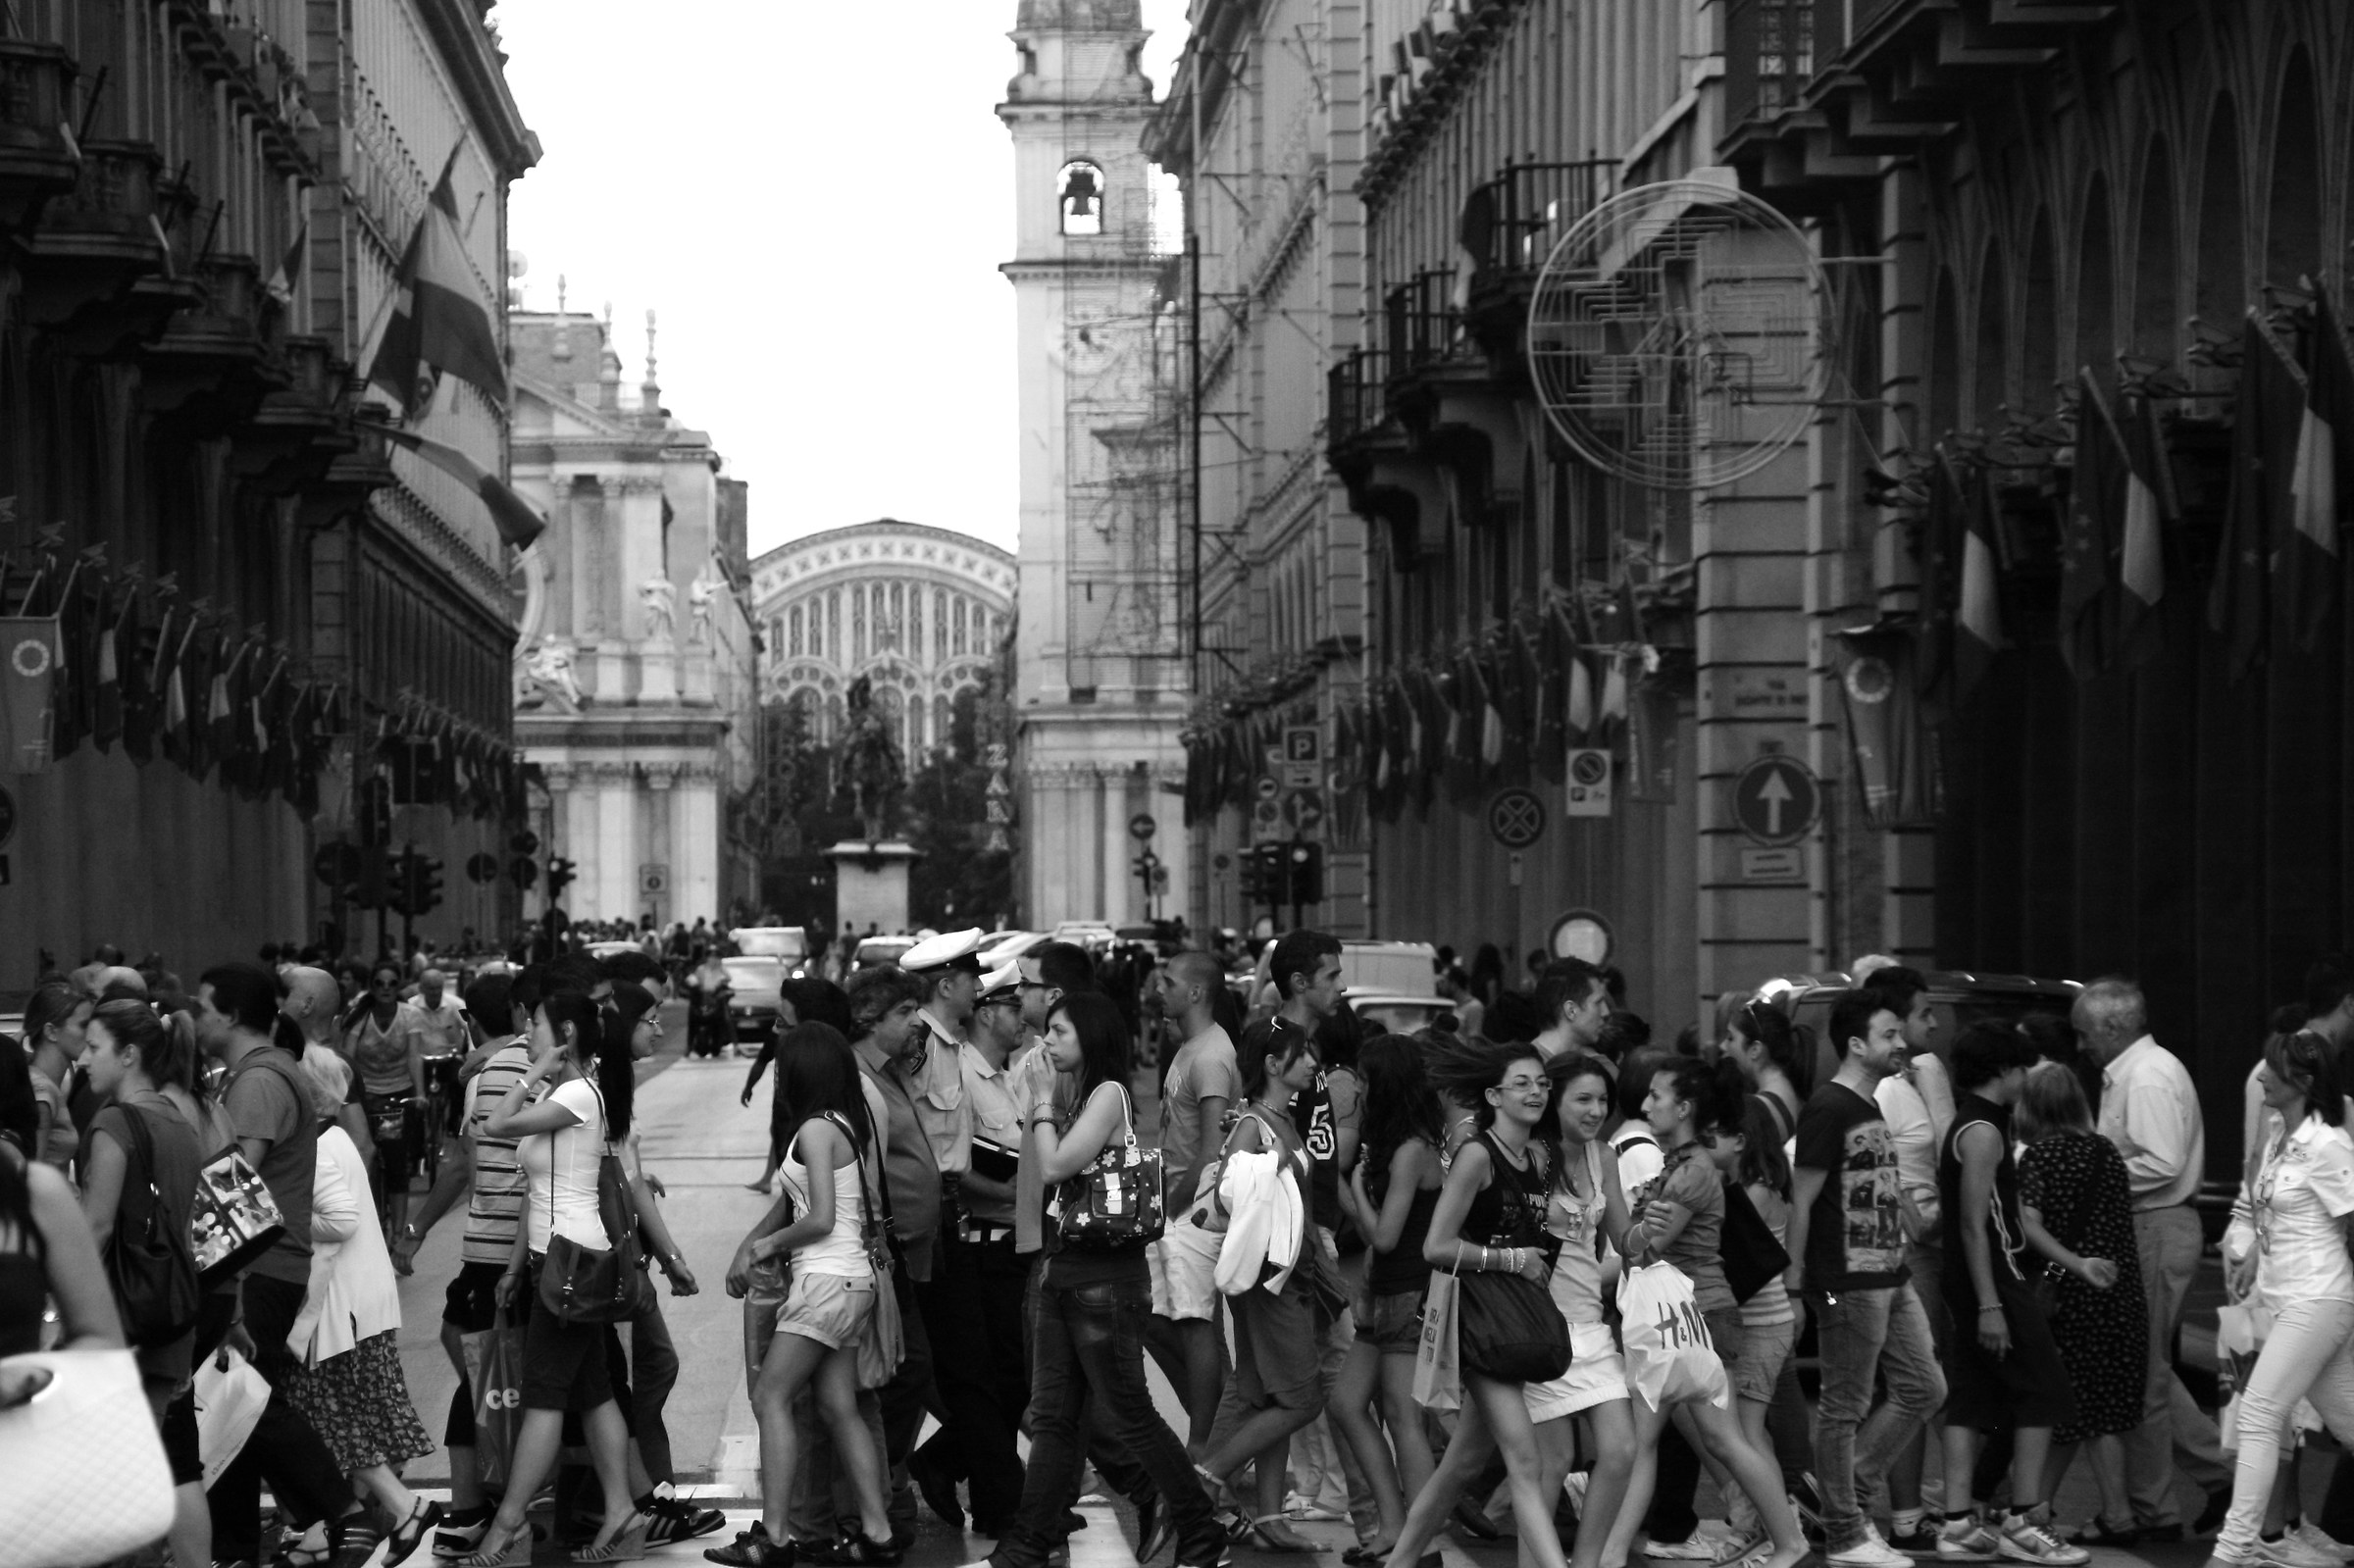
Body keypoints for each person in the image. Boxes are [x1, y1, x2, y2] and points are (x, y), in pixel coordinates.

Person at [973, 990, 1226, 1568]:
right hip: (1066, 1272)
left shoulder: (1109, 1094)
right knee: (1055, 1418)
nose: (1048, 1042)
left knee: (1130, 1413)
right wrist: (1041, 1094)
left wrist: (1040, 1102)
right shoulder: (1073, 1092)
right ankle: (1029, 1543)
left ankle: (1199, 1527)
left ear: (1090, 1036)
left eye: (1060, 1032)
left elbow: (1058, 1164)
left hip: (1106, 1281)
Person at [458, 990, 648, 1566]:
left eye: (535, 1025)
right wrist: (516, 1268)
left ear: (564, 1029)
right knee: (592, 1391)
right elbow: (534, 1191)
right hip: (557, 1259)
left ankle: (510, 1525)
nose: (527, 1034)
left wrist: (536, 1068)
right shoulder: (571, 1092)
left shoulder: (574, 1091)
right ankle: (622, 1511)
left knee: (544, 1398)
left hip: (568, 1264)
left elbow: (493, 1123)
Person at [1605, 1056, 1811, 1568]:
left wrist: (1613, 1208)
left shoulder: (1692, 1171)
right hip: (1682, 1317)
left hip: (1700, 1318)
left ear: (1686, 1107)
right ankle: (1607, 1557)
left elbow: (1645, 1246)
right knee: (1648, 1441)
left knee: (1724, 1439)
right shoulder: (1681, 1164)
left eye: (1658, 1095)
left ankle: (1790, 1542)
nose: (1647, 1104)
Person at [710, 1023, 900, 1568]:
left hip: (825, 1284)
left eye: (781, 1066)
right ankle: (878, 1534)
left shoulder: (817, 1130)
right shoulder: (844, 1122)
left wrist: (764, 1244)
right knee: (840, 1406)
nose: (775, 1076)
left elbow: (818, 1217)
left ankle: (773, 1539)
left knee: (771, 1397)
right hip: (848, 1282)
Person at [197, 961, 368, 1568]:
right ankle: (236, 1546)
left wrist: (218, 1280)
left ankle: (355, 1511)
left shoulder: (261, 1080)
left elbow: (233, 1189)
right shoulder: (262, 1073)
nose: (196, 1017)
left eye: (204, 1006)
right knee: (232, 1409)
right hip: (266, 1265)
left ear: (232, 1015)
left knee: (249, 1401)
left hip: (259, 1267)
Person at [1787, 987, 1946, 1568]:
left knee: (1926, 1388)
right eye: (1889, 1035)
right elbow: (1801, 1201)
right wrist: (1796, 1285)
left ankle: (1841, 1494)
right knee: (1843, 1406)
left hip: (1889, 1273)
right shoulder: (1828, 1107)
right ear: (1857, 1044)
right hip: (1847, 1281)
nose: (1902, 1043)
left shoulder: (1870, 1105)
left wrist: (1907, 1212)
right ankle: (1847, 1531)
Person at [391, 967, 541, 1556]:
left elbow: (463, 1164)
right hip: (519, 1248)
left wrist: (415, 1231)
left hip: (493, 1248)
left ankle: (478, 1507)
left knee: (486, 1375)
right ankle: (486, 1507)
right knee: (495, 1376)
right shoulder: (538, 1070)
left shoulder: (489, 1072)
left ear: (470, 1021)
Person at [2076, 977, 2230, 1538]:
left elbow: (2160, 1163)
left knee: (2140, 1378)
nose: (2081, 1044)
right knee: (2148, 1373)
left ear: (2114, 1027)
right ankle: (2218, 1478)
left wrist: (2094, 1177)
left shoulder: (2145, 1077)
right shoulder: (2138, 1072)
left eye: (2085, 1032)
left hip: (2156, 1227)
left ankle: (2154, 1509)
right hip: (2155, 1226)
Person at [1928, 1023, 2086, 1566]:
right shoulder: (1984, 1130)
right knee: (2043, 1389)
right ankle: (2023, 1518)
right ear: (2003, 1071)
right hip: (1994, 1277)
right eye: (2021, 1068)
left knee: (1971, 1398)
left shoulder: (1974, 1121)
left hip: (1971, 1278)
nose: (2026, 1077)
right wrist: (1992, 1303)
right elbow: (1977, 1225)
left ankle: (1956, 1524)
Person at [283, 1050, 444, 1567]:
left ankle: (402, 1507)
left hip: (340, 1308)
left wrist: (278, 1219)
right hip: (358, 1303)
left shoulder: (317, 1147)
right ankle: (327, 1527)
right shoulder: (336, 1139)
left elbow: (342, 1220)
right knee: (351, 1417)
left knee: (328, 1421)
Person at [2204, 1031, 2354, 1568]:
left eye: (2272, 1068)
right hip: (2285, 1300)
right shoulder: (2276, 1134)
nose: (2261, 1075)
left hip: (2319, 1299)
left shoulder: (2329, 1143)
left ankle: (2233, 1551)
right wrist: (2249, 1255)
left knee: (2261, 1413)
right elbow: (2258, 1211)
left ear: (2304, 1083)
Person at [1190, 1015, 1337, 1550]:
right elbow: (1229, 1185)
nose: (1313, 1064)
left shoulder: (1280, 1118)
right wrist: (1270, 1162)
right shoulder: (1255, 1124)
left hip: (1288, 1276)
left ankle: (1271, 1518)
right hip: (1269, 1280)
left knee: (1269, 1394)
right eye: (1303, 1056)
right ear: (1275, 1065)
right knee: (1303, 1398)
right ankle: (1205, 1481)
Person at [77, 999, 209, 1568]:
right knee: (158, 1466)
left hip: (118, 1318)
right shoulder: (179, 1123)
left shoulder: (113, 1123)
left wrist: (60, 1316)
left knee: (112, 1479)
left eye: (93, 1047)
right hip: (171, 1314)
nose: (82, 1061)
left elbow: (95, 1227)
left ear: (128, 1055)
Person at [910, 960, 1033, 1537]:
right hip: (958, 1230)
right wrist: (1011, 1197)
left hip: (978, 1232)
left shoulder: (991, 1069)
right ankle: (1000, 1498)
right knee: (979, 1376)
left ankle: (978, 1483)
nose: (984, 992)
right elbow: (947, 1160)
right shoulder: (931, 1051)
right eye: (976, 983)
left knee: (1000, 1376)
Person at [2015, 1060, 2147, 1547]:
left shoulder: (2038, 1157)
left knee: (2073, 1407)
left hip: (2069, 1294)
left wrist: (2072, 1263)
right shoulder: (2107, 1152)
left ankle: (2109, 1513)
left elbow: (2029, 1224)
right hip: (2119, 1290)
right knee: (2100, 1407)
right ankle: (2044, 1509)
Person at [1336, 1034, 1448, 1560]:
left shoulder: (1412, 1149)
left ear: (1387, 1083)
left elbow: (1384, 1235)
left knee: (1405, 1419)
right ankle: (1394, 1526)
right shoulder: (1394, 1143)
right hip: (1385, 1293)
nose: (1357, 1086)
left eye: (1364, 1077)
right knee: (1347, 1404)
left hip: (1412, 1293)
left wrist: (1356, 1187)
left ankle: (1417, 1545)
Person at [1862, 967, 1956, 1549]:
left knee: (1921, 1380)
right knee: (1912, 1381)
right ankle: (1890, 1505)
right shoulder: (1884, 1089)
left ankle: (1915, 1505)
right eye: (1922, 1014)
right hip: (1908, 1248)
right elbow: (1878, 1167)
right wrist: (1917, 1222)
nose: (1932, 1024)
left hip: (1931, 1247)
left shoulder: (1920, 1077)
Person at [1146, 949, 1239, 1454]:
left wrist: (1176, 1206)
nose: (1159, 988)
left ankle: (1203, 1445)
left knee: (1195, 1322)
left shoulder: (1211, 1055)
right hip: (1174, 1209)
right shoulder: (1189, 1046)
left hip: (1192, 1211)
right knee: (1160, 1321)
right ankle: (1217, 1428)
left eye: (1168, 981)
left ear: (1197, 991)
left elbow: (1210, 1150)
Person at [1707, 1095, 1801, 1557]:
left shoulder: (1756, 1192)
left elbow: (1725, 1252)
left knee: (1746, 1433)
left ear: (1740, 1141)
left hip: (1763, 1326)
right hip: (1760, 1326)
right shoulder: (1752, 1186)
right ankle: (1766, 1522)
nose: (1707, 1143)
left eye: (1715, 1135)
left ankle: (1777, 1528)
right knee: (1749, 1432)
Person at [343, 959, 428, 1232]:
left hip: (396, 1097)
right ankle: (366, 1222)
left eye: (392, 983)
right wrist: (344, 1095)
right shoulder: (360, 1015)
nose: (386, 988)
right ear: (372, 986)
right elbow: (347, 1057)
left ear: (399, 985)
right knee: (362, 1156)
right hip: (365, 1096)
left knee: (395, 1162)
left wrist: (420, 1093)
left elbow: (414, 1056)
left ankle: (396, 1230)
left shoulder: (409, 1015)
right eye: (379, 983)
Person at [25, 981, 91, 1173]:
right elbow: (33, 1178)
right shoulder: (42, 1091)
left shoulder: (50, 1085)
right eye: (83, 1025)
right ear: (51, 1031)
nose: (92, 1034)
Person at [1531, 960, 1612, 1062]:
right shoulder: (1528, 1069)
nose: (1606, 1012)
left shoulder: (1600, 1064)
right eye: (1598, 1002)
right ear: (1571, 1010)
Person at [685, 946, 734, 1058]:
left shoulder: (721, 969)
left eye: (716, 957)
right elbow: (694, 982)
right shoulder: (701, 969)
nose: (713, 960)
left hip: (716, 1000)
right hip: (702, 1000)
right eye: (711, 957)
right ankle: (689, 1046)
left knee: (724, 1020)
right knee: (693, 1021)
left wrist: (721, 982)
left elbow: (728, 979)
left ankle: (727, 1042)